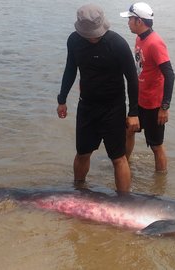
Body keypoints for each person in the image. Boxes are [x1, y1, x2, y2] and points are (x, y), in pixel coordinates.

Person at [56, 4, 139, 192]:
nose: (93, 36)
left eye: (95, 33)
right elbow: (70, 70)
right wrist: (62, 100)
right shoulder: (74, 41)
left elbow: (132, 79)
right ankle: (78, 190)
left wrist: (133, 112)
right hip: (87, 106)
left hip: (113, 108)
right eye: (88, 33)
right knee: (83, 153)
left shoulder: (117, 44)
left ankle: (124, 201)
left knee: (118, 158)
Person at [120, 2, 175, 173]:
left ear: (139, 21)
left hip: (153, 104)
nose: (128, 22)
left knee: (156, 146)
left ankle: (160, 181)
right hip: (139, 99)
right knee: (129, 130)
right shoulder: (139, 38)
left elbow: (170, 75)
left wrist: (164, 107)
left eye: (130, 19)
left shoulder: (155, 43)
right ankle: (124, 166)